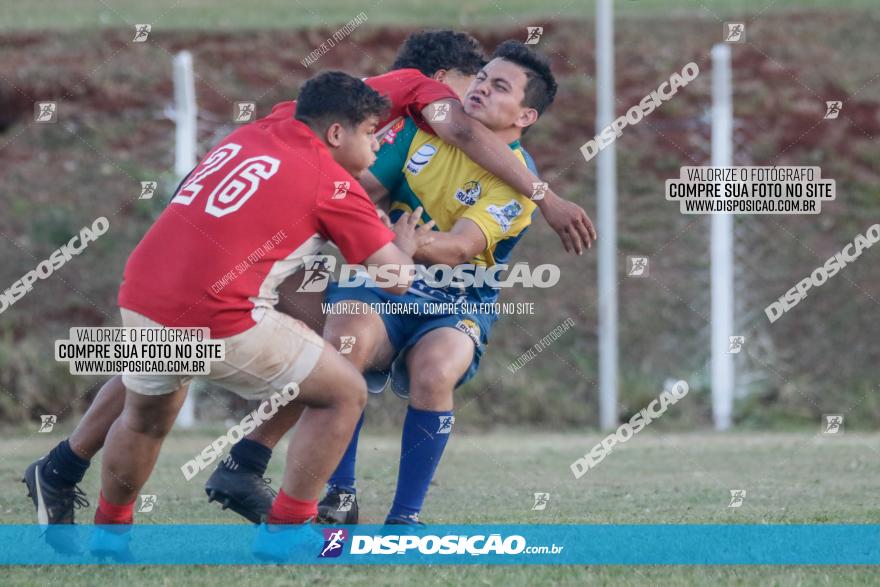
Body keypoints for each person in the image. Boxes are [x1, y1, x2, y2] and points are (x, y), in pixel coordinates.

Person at [83, 71, 434, 559]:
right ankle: (287, 533)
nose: (378, 145)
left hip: (141, 296)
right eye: (372, 132)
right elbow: (395, 278)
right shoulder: (330, 179)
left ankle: (109, 536)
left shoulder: (250, 134)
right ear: (337, 133)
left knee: (144, 419)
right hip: (219, 316)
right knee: (343, 392)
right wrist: (404, 244)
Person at [318, 40, 559, 525]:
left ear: (526, 115)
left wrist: (399, 239)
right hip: (380, 282)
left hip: (457, 300)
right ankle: (337, 498)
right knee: (345, 343)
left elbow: (459, 248)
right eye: (483, 77)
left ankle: (404, 518)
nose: (482, 89)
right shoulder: (419, 132)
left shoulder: (521, 180)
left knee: (436, 371)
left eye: (500, 87)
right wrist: (375, 232)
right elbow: (363, 195)